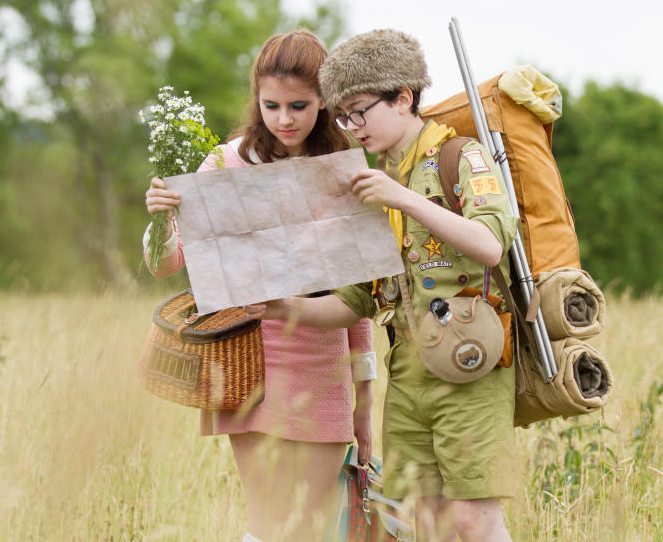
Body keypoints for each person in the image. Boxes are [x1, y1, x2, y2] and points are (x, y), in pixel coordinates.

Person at [244, 29, 518, 542]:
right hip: (409, 375)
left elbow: (490, 243)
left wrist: (403, 199)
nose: (351, 126)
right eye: (342, 114)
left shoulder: (460, 156)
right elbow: (354, 303)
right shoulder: (372, 182)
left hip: (471, 363)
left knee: (472, 520)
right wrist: (281, 307)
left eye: (359, 111)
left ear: (404, 98)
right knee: (426, 523)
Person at [142, 30, 376, 542]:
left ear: (324, 102)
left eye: (299, 104)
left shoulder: (345, 175)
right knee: (269, 522)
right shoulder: (225, 163)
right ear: (256, 99)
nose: (284, 119)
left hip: (321, 362)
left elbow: (359, 305)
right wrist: (159, 218)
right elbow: (167, 264)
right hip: (245, 360)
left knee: (311, 526)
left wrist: (364, 403)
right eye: (271, 105)